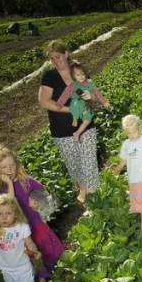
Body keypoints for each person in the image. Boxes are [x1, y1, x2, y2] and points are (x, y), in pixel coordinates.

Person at [0, 145, 64, 282]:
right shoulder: (1, 190)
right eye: (4, 167)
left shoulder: (25, 180)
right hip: (21, 231)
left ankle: (61, 270)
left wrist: (37, 202)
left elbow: (43, 192)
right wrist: (10, 184)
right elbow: (9, 204)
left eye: (12, 165)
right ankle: (42, 281)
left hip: (37, 224)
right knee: (33, 255)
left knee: (49, 248)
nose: (10, 169)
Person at [39, 39, 100, 206]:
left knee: (89, 163)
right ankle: (84, 191)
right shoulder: (50, 76)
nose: (55, 61)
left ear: (66, 54)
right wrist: (71, 110)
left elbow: (93, 94)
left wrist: (91, 98)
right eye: (52, 58)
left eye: (58, 57)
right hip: (61, 130)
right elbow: (44, 101)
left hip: (86, 126)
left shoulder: (78, 71)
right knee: (75, 166)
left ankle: (94, 201)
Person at [112, 115, 142, 232]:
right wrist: (117, 170)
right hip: (133, 177)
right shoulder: (126, 144)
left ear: (139, 129)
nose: (132, 136)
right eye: (129, 134)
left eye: (134, 133)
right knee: (137, 199)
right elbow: (123, 160)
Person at [55, 61, 110, 141]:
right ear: (73, 76)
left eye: (83, 74)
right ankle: (75, 118)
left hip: (85, 107)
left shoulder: (89, 84)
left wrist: (104, 102)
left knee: (88, 118)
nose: (81, 77)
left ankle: (77, 133)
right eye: (78, 75)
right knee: (76, 104)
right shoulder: (72, 86)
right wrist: (59, 104)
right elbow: (64, 95)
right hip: (76, 105)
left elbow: (97, 94)